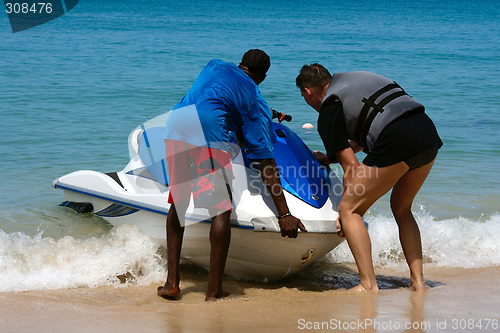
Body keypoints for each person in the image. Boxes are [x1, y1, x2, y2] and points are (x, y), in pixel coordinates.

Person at [157, 49, 307, 301]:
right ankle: (214, 291)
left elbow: (218, 97)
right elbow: (265, 160)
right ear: (262, 77)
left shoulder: (214, 65)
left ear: (241, 64)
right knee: (220, 210)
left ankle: (172, 283)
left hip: (176, 126)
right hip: (209, 135)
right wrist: (284, 213)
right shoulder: (253, 93)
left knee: (179, 204)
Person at [296, 64, 442, 292]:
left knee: (349, 211)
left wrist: (346, 208)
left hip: (397, 137)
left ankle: (367, 284)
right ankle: (418, 282)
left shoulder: (328, 108)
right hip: (427, 134)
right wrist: (329, 157)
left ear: (307, 91)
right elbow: (365, 136)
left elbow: (351, 166)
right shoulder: (356, 80)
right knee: (401, 208)